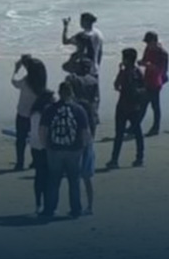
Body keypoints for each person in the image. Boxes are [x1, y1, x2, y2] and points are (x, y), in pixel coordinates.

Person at [39, 81, 91, 218]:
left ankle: (50, 209)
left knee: (53, 180)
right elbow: (85, 132)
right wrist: (83, 148)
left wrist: (46, 146)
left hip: (55, 149)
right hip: (74, 150)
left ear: (59, 93)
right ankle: (75, 209)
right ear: (71, 93)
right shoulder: (79, 110)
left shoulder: (50, 109)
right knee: (74, 181)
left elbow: (43, 130)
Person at [65, 57, 99, 215]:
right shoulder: (94, 80)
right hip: (91, 119)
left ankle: (76, 206)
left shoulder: (73, 80)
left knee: (75, 173)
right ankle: (90, 205)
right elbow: (97, 99)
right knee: (88, 173)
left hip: (76, 122)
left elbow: (65, 69)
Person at [107, 48, 146, 168]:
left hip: (123, 106)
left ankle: (115, 160)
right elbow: (144, 88)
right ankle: (139, 158)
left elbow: (116, 85)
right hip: (134, 106)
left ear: (127, 59)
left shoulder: (126, 73)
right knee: (137, 132)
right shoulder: (138, 72)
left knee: (119, 134)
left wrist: (120, 72)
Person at [11, 55, 46, 171]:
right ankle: (36, 161)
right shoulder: (41, 83)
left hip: (23, 114)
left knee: (21, 140)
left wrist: (16, 70)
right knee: (35, 139)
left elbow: (14, 82)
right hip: (36, 114)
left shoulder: (26, 81)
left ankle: (20, 163)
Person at [28, 89, 57, 215]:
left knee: (40, 176)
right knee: (47, 177)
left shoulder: (35, 113)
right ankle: (45, 204)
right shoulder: (44, 113)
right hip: (44, 147)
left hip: (35, 147)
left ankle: (39, 203)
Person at [139, 31, 169, 136]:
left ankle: (155, 127)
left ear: (154, 41)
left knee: (154, 105)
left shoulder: (163, 53)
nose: (147, 45)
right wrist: (142, 63)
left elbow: (163, 70)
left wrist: (150, 66)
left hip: (156, 81)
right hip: (147, 79)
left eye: (149, 42)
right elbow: (144, 60)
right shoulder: (148, 49)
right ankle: (136, 125)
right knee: (143, 104)